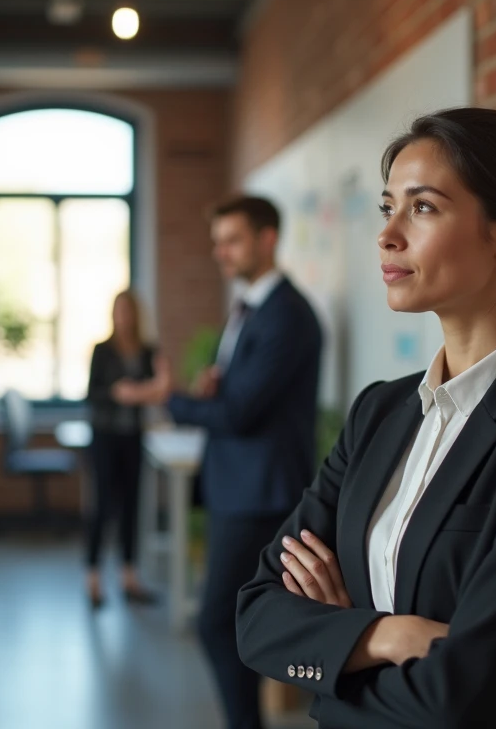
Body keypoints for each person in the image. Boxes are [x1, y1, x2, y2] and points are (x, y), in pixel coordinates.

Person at [235, 108, 496, 728]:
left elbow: (466, 694)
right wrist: (385, 636)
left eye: (423, 208)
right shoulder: (379, 412)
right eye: (389, 207)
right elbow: (256, 617)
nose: (388, 234)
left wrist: (332, 654)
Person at [118, 196, 323, 729]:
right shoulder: (249, 308)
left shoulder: (288, 315)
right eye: (217, 241)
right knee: (230, 622)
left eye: (231, 240)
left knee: (217, 623)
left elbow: (240, 414)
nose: (220, 252)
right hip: (238, 487)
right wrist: (213, 387)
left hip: (261, 494)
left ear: (267, 239)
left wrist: (169, 397)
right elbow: (237, 396)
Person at [83, 290, 159, 609]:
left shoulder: (147, 351)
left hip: (133, 438)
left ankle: (129, 577)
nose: (124, 317)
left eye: (129, 311)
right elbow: (92, 395)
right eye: (119, 311)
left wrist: (145, 392)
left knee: (131, 507)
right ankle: (94, 579)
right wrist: (117, 393)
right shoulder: (103, 351)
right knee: (102, 507)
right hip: (106, 437)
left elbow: (158, 388)